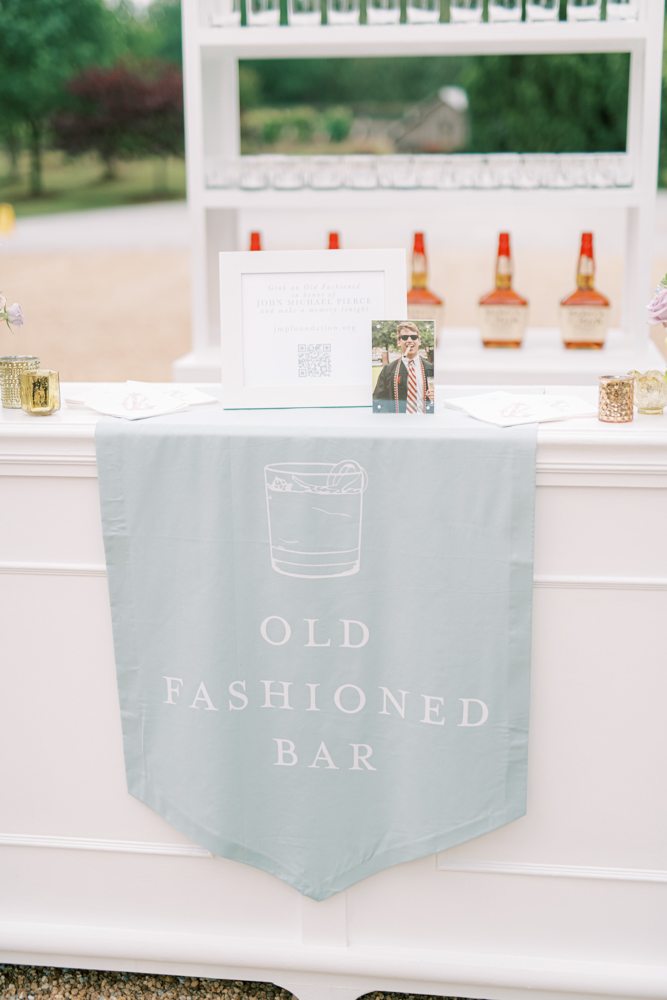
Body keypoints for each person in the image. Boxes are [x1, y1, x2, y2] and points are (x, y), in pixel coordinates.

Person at [373, 321, 434, 414]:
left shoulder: (431, 369)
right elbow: (378, 401)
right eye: (404, 337)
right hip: (398, 423)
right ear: (398, 342)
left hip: (424, 421)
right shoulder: (388, 370)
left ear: (419, 341)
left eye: (414, 337)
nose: (409, 340)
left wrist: (436, 398)